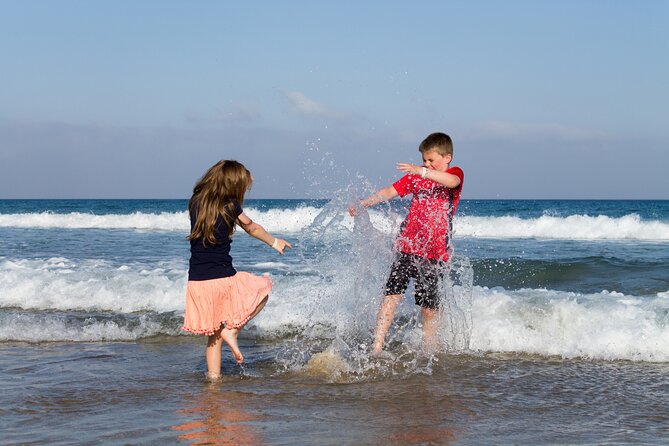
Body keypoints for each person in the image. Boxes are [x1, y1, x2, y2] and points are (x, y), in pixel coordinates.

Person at [349, 132, 464, 354]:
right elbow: (388, 192)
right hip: (407, 246)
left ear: (447, 157)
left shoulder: (453, 174)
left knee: (428, 307)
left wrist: (422, 170)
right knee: (392, 295)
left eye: (431, 160)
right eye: (424, 160)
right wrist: (364, 203)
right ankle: (377, 347)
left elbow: (453, 181)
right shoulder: (415, 178)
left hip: (434, 253)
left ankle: (430, 348)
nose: (427, 164)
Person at [182, 160, 292, 379]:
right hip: (222, 277)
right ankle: (232, 331)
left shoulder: (196, 202)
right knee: (262, 290)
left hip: (197, 281)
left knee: (213, 336)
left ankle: (214, 379)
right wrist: (274, 242)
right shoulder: (231, 206)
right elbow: (251, 226)